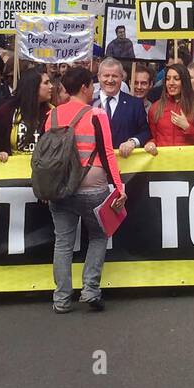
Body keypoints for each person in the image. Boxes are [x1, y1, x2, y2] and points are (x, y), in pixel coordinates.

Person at [44, 66, 126, 314]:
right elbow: (107, 153)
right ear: (83, 87)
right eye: (92, 84)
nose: (94, 89)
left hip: (59, 188)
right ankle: (90, 290)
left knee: (63, 243)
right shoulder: (96, 115)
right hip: (93, 187)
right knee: (99, 236)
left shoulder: (53, 116)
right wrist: (119, 187)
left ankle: (61, 298)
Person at [143, 64, 194, 149]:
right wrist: (151, 143)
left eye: (176, 79)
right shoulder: (155, 108)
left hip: (188, 160)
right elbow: (152, 137)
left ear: (185, 81)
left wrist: (187, 127)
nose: (171, 83)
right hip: (163, 160)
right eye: (168, 79)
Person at [94, 57, 150, 157]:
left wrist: (133, 142)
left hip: (125, 165)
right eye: (106, 75)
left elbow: (146, 132)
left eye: (114, 76)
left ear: (121, 77)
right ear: (99, 77)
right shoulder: (88, 103)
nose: (110, 80)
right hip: (95, 166)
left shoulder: (135, 104)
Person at [0, 68, 54, 153]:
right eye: (46, 83)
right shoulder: (7, 111)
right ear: (33, 86)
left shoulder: (53, 112)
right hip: (13, 164)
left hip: (41, 165)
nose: (51, 86)